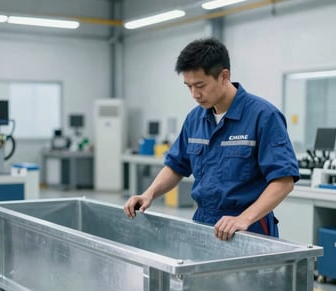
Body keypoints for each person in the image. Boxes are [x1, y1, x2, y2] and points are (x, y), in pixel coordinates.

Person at [123, 37, 300, 240]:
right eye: (188, 86)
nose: (195, 94)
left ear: (224, 76)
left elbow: (284, 181)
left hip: (250, 228)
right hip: (204, 223)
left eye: (200, 85)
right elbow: (176, 165)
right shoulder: (195, 119)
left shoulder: (263, 116)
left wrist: (244, 218)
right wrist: (148, 194)